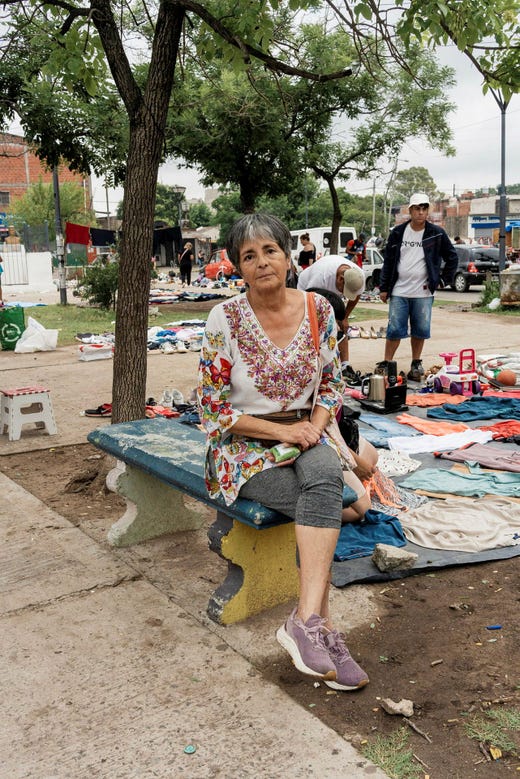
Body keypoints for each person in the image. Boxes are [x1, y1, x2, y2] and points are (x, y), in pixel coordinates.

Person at [197, 213, 369, 690]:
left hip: (307, 433)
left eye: (269, 250)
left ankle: (305, 622)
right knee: (325, 504)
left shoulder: (320, 310)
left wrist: (312, 426)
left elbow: (333, 385)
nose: (261, 262)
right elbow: (211, 411)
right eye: (248, 256)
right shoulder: (224, 319)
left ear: (288, 257)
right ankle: (324, 632)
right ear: (237, 266)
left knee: (324, 485)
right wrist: (284, 434)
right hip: (243, 447)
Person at [376, 193, 458, 381]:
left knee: (420, 329)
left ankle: (416, 363)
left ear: (427, 210)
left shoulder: (436, 233)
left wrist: (443, 280)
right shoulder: (398, 232)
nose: (421, 212)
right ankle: (387, 363)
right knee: (395, 329)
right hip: (399, 290)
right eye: (417, 209)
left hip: (423, 291)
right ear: (410, 210)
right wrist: (384, 287)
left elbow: (452, 257)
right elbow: (389, 261)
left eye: (424, 209)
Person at [297, 255, 365, 383]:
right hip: (309, 291)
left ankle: (344, 366)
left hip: (329, 292)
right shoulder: (320, 277)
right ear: (340, 278)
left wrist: (344, 318)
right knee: (317, 331)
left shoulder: (358, 275)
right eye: (344, 290)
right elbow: (309, 302)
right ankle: (312, 365)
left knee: (341, 328)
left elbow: (356, 295)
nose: (345, 294)